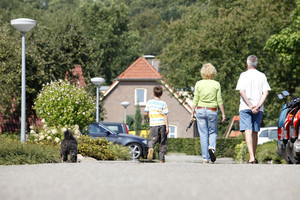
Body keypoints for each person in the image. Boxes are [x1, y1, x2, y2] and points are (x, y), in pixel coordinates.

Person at [236, 55, 271, 164]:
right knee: (255, 131)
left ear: (247, 64)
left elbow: (241, 91)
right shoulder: (262, 76)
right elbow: (266, 92)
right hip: (258, 108)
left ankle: (251, 157)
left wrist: (250, 105)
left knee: (248, 130)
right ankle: (253, 156)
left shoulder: (243, 75)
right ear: (257, 64)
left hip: (245, 107)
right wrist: (258, 105)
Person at [191, 63, 226, 163]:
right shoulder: (216, 84)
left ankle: (205, 158)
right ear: (213, 72)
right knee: (213, 132)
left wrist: (192, 112)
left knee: (203, 134)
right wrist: (223, 114)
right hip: (212, 110)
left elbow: (195, 99)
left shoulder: (198, 83)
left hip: (200, 110)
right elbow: (219, 100)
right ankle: (211, 147)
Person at [145, 86, 169, 163]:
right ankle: (161, 159)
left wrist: (148, 119)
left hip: (153, 124)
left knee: (152, 140)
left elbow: (146, 113)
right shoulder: (163, 103)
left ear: (153, 93)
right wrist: (167, 127)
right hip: (162, 124)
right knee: (162, 142)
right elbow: (165, 115)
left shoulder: (149, 102)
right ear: (161, 94)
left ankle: (151, 148)